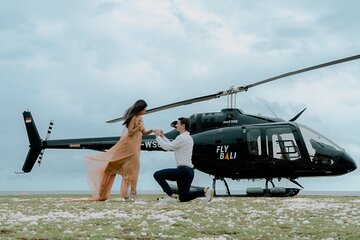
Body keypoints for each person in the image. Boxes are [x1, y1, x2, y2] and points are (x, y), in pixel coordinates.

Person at [85, 99, 153, 201]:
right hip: (129, 144)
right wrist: (137, 128)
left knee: (134, 169)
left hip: (136, 145)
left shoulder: (141, 119)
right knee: (132, 168)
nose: (145, 111)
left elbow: (143, 132)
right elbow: (130, 132)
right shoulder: (133, 118)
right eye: (144, 109)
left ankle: (131, 193)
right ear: (139, 108)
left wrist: (152, 130)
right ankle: (128, 194)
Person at [153, 117, 214, 203]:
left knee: (157, 175)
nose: (176, 125)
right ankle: (205, 191)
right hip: (189, 172)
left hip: (182, 171)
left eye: (178, 123)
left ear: (183, 125)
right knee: (183, 198)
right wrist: (163, 137)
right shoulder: (188, 138)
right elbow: (172, 145)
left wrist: (157, 137)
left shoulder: (181, 137)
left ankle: (171, 195)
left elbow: (168, 147)